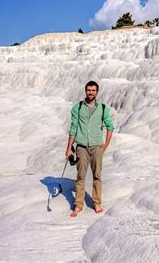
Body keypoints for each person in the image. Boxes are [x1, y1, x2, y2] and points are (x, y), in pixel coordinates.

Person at [65, 81, 114, 217]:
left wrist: (105, 145)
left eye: (93, 90)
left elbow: (110, 127)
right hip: (81, 146)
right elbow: (73, 128)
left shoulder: (103, 108)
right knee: (80, 176)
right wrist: (69, 148)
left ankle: (97, 202)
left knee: (97, 175)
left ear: (97, 92)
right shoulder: (77, 108)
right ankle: (78, 205)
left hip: (97, 146)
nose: (90, 92)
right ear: (85, 91)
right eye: (88, 90)